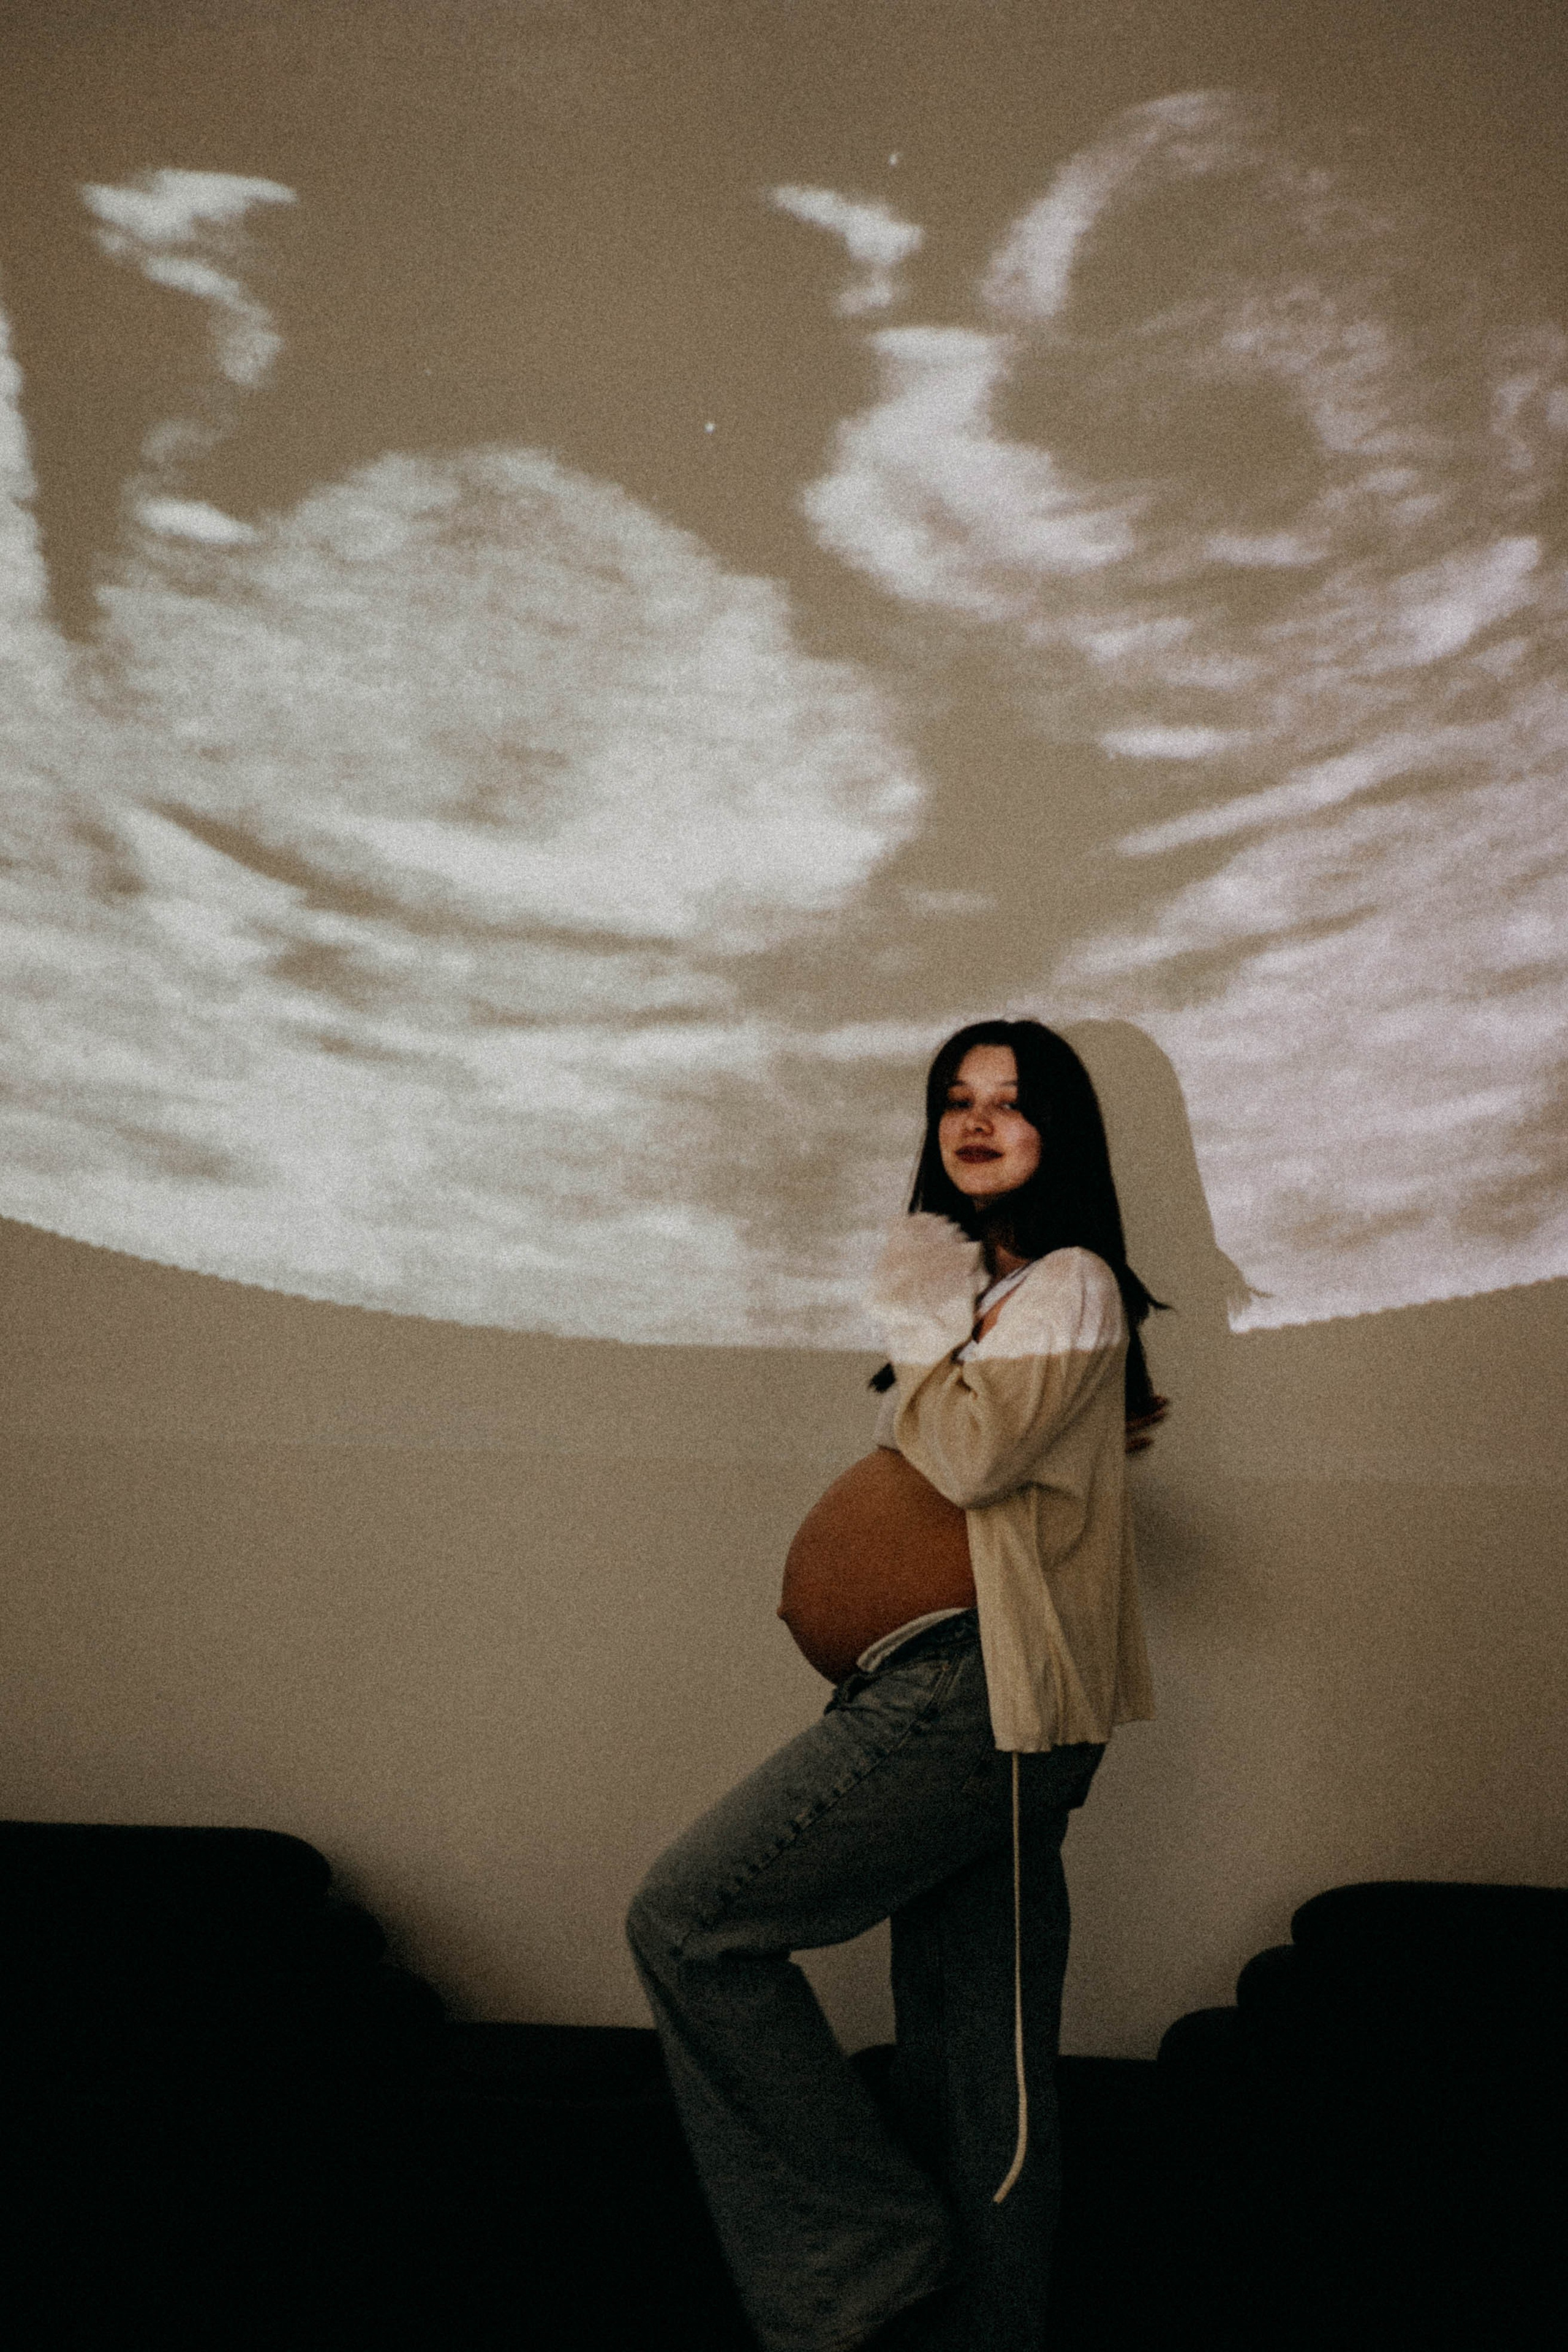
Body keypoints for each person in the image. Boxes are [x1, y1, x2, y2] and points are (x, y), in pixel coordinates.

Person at [626, 1019, 1167, 2352]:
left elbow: (974, 1459)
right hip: (945, 1700)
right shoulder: (994, 1293)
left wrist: (919, 1304)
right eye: (954, 1102)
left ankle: (869, 2251)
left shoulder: (1070, 1280)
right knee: (978, 2076)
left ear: (1061, 1134)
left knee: (690, 1922)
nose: (976, 1122)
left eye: (1010, 1102)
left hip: (975, 1699)